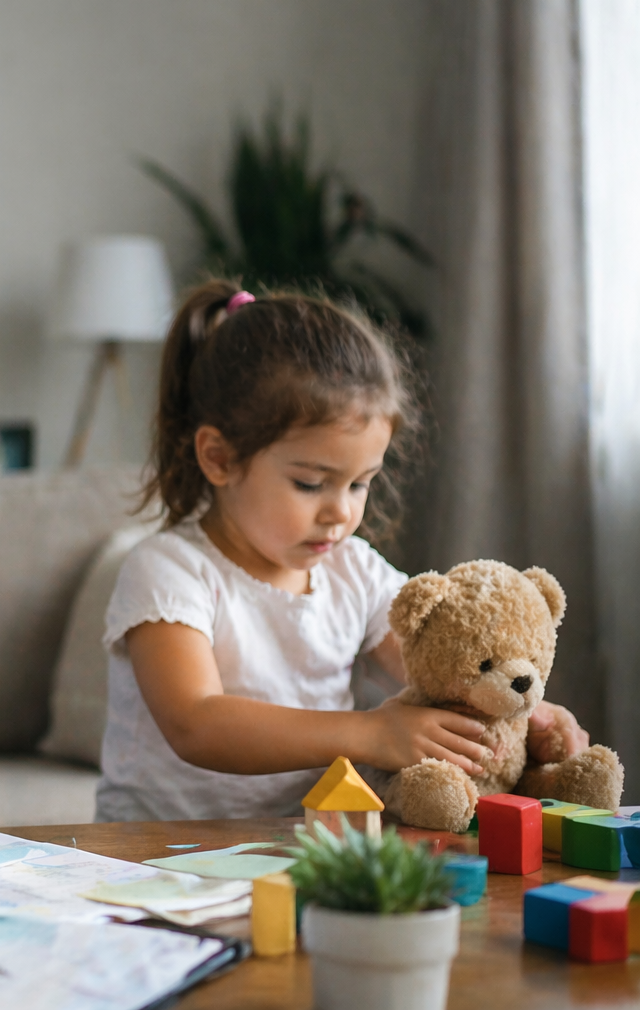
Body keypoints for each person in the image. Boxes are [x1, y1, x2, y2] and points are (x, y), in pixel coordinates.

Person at [94, 281, 590, 822]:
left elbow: (449, 669)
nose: (340, 512)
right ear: (219, 458)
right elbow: (196, 723)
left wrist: (528, 712)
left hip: (307, 839)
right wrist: (371, 733)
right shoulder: (168, 570)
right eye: (310, 483)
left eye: (359, 484)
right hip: (151, 850)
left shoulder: (354, 569)